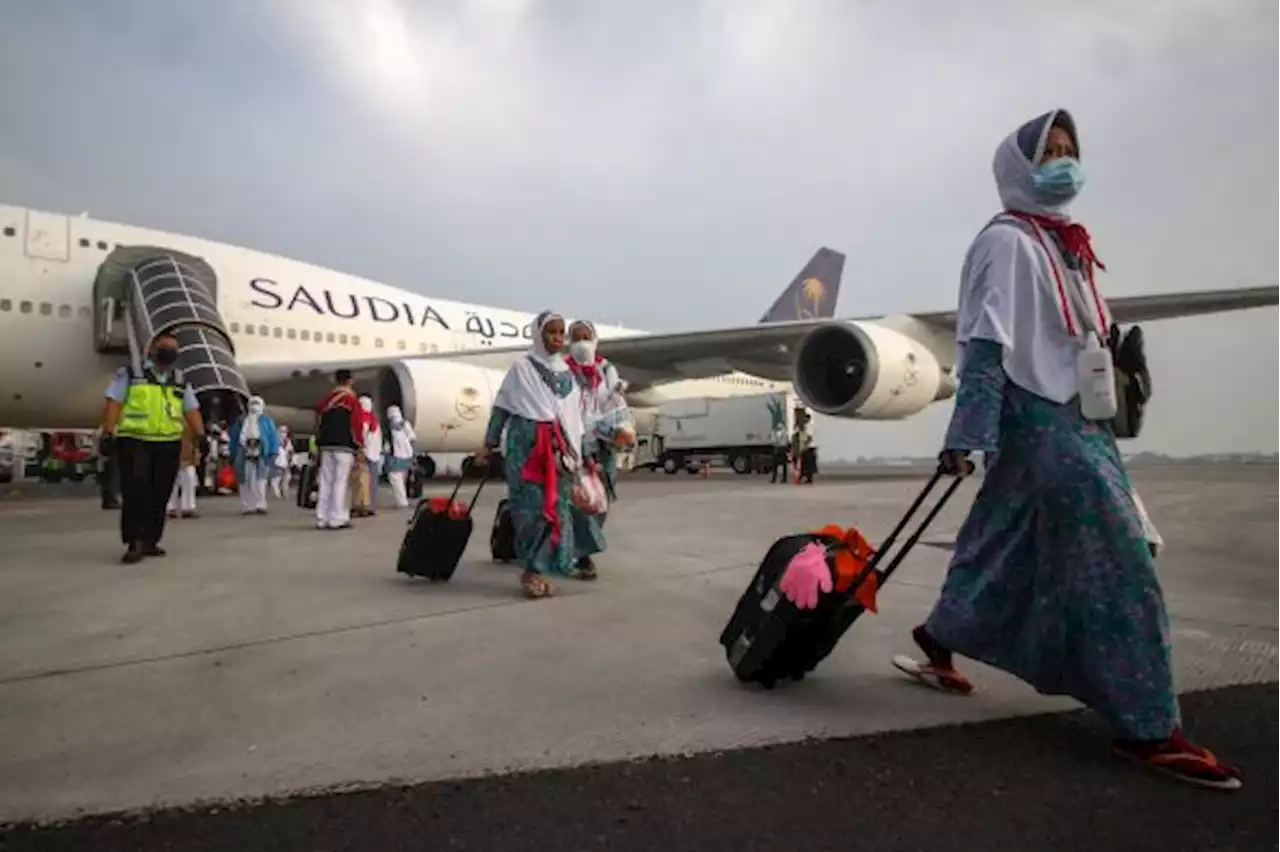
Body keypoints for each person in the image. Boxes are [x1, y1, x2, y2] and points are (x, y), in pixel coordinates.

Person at [889, 109, 1241, 791]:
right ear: (1017, 167)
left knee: (1003, 542)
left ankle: (941, 635)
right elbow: (985, 344)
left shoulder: (1067, 245)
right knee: (1119, 560)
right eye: (1047, 152)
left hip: (1079, 417)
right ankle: (1149, 725)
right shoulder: (1006, 244)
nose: (1061, 161)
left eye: (1068, 150)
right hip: (1036, 415)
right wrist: (966, 436)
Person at [477, 310, 583, 599]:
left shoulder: (567, 373)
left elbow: (574, 415)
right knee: (529, 510)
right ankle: (531, 571)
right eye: (552, 332)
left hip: (558, 446)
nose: (558, 338)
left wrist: (579, 450)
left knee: (556, 510)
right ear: (538, 334)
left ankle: (542, 568)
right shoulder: (521, 369)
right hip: (525, 447)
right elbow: (502, 407)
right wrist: (489, 443)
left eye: (562, 333)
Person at [99, 333, 204, 563]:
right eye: (165, 347)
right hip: (135, 440)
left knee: (161, 493)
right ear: (153, 350)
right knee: (136, 491)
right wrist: (108, 431)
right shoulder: (133, 373)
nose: (170, 352)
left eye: (174, 349)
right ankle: (134, 541)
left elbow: (191, 409)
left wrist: (200, 435)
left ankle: (151, 541)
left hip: (167, 442)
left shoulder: (178, 378)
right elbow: (114, 401)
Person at [564, 319, 630, 581]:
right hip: (575, 442)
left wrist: (621, 431)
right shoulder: (562, 370)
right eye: (576, 337)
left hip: (605, 441)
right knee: (580, 499)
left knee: (601, 500)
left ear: (595, 339)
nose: (581, 341)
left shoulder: (606, 369)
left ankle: (583, 549)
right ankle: (581, 555)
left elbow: (615, 401)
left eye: (585, 336)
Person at [314, 369, 361, 530]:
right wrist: (359, 445)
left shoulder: (326, 401)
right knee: (340, 482)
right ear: (349, 381)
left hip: (326, 446)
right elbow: (356, 426)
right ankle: (337, 518)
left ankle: (322, 517)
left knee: (325, 481)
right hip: (344, 447)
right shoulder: (351, 400)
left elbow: (318, 423)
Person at [229, 395, 280, 515]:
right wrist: (233, 453)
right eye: (252, 404)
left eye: (257, 404)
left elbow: (273, 437)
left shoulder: (267, 421)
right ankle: (247, 505)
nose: (254, 407)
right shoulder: (241, 420)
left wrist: (273, 452)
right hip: (243, 449)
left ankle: (260, 504)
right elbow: (234, 437)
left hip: (261, 450)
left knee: (261, 478)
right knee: (244, 478)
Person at [351, 395, 380, 517]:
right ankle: (371, 506)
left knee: (360, 482)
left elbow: (361, 437)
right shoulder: (375, 421)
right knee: (372, 483)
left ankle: (360, 505)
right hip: (375, 454)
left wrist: (361, 451)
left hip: (363, 454)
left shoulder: (361, 420)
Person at [384, 404, 417, 508]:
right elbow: (412, 438)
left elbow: (386, 445)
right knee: (402, 479)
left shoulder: (388, 427)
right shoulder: (405, 424)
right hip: (407, 456)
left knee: (395, 480)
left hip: (395, 457)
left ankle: (402, 502)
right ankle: (403, 500)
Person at [166, 424, 200, 519]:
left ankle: (188, 508)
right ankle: (171, 507)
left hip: (186, 454)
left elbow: (195, 437)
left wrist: (195, 452)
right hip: (171, 453)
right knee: (171, 481)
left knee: (189, 478)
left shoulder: (187, 421)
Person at [269, 424, 292, 500]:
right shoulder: (274, 441)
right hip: (276, 462)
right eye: (281, 431)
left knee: (287, 478)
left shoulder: (287, 441)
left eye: (285, 431)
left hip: (285, 463)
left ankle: (285, 493)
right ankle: (277, 495)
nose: (283, 433)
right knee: (276, 479)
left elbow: (290, 451)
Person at [769, 419, 790, 484]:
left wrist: (773, 434)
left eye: (780, 424)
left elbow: (776, 440)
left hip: (779, 448)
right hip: (783, 448)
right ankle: (783, 478)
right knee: (783, 465)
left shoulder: (780, 432)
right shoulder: (785, 432)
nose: (779, 425)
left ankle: (774, 479)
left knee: (775, 464)